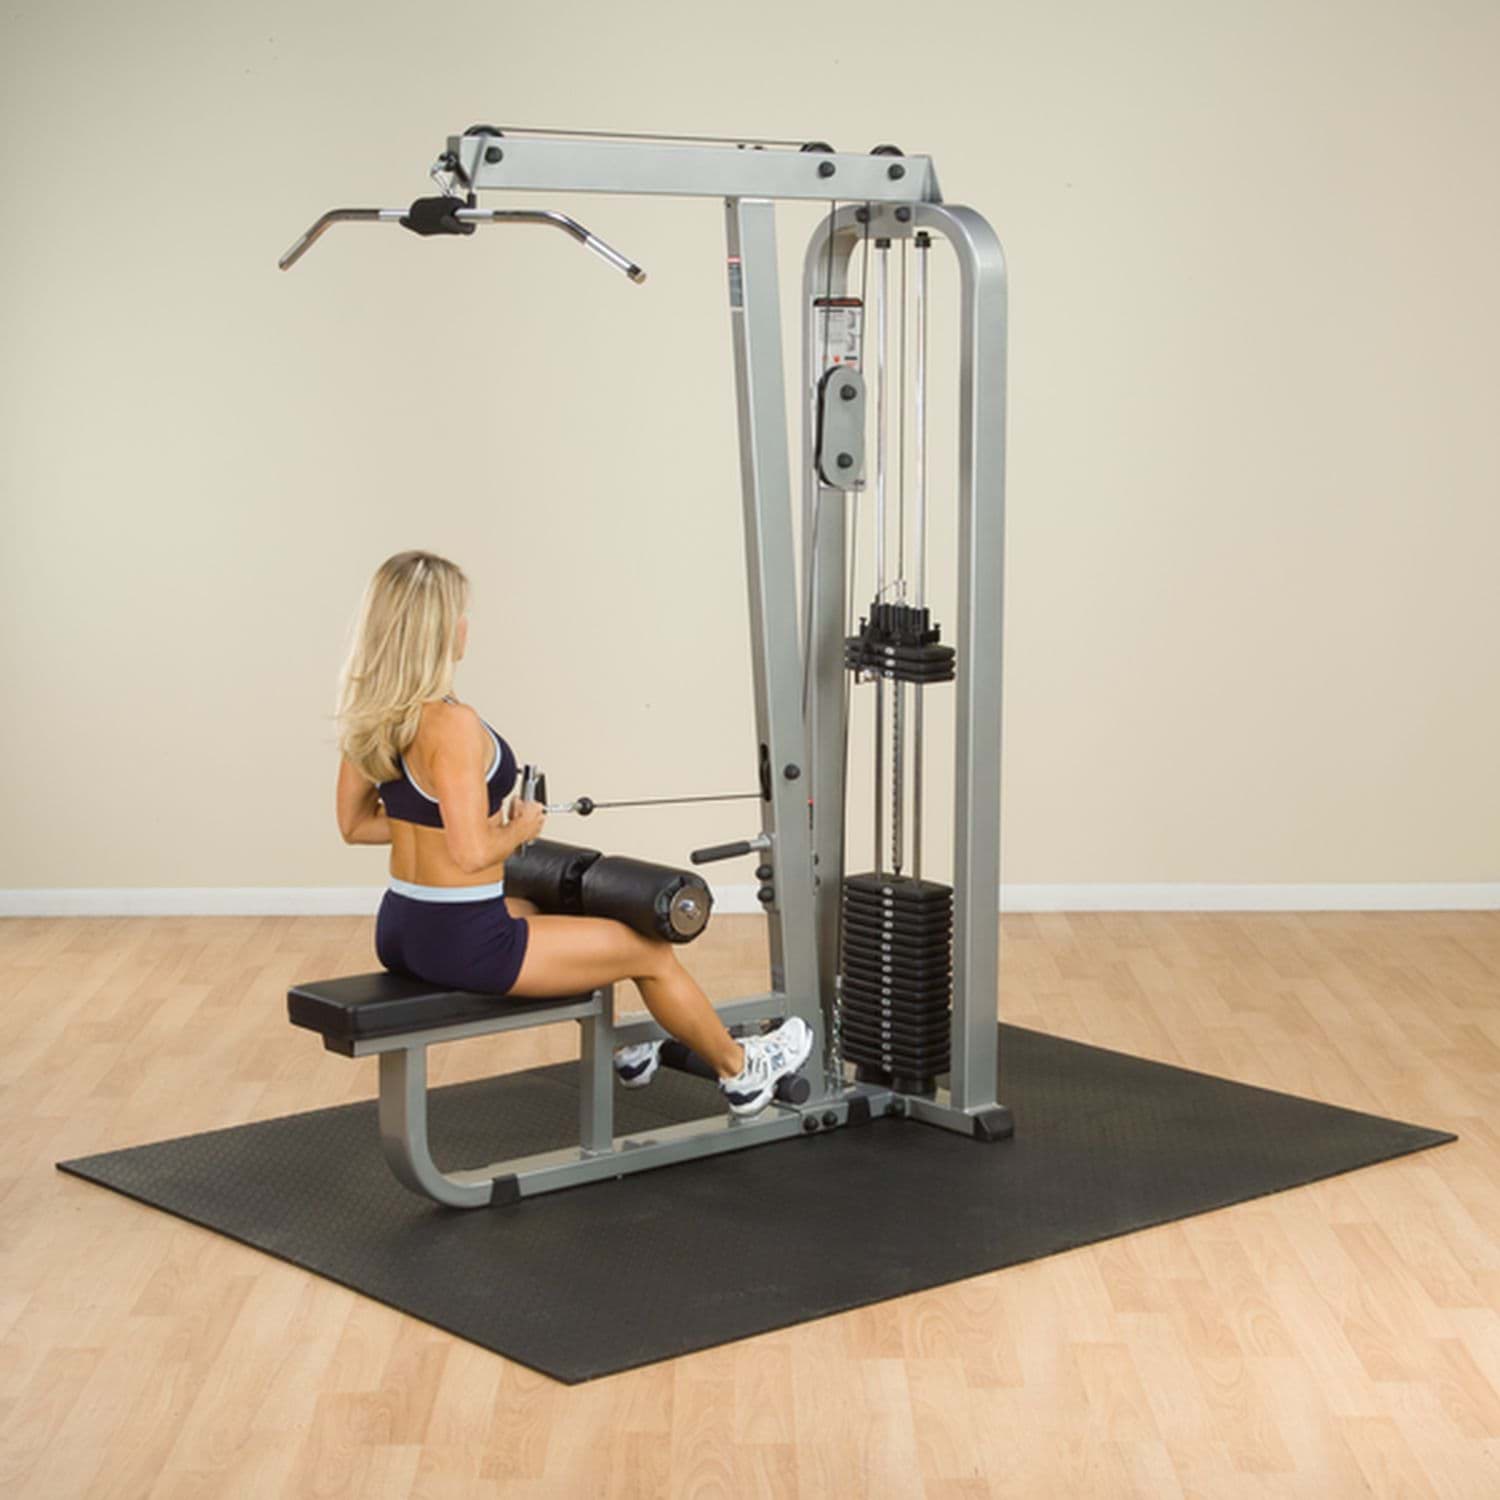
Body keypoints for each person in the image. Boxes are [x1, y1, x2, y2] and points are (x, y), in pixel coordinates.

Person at [333, 549, 813, 1117]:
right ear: (440, 629)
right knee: (649, 952)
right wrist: (520, 827)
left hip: (402, 929)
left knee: (536, 912)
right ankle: (742, 1071)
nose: (466, 625)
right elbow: (470, 854)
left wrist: (448, 827)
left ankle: (630, 1045)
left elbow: (355, 825)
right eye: (461, 613)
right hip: (463, 940)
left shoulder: (376, 712)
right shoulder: (453, 724)